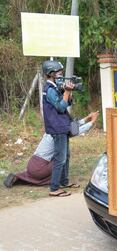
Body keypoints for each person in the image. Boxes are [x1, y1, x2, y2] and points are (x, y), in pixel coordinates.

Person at [2, 112, 99, 188]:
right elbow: (75, 131)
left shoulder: (54, 128)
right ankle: (61, 182)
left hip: (32, 164)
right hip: (39, 167)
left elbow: (72, 127)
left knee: (61, 154)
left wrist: (87, 118)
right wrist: (92, 122)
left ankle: (17, 177)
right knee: (63, 157)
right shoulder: (61, 132)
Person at [41, 60, 77, 197]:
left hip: (62, 126)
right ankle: (54, 188)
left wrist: (68, 92)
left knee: (66, 156)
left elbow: (67, 102)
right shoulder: (49, 90)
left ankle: (64, 181)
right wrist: (66, 91)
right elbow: (61, 107)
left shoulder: (55, 87)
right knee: (60, 158)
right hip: (57, 128)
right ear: (50, 74)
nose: (61, 74)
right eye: (58, 72)